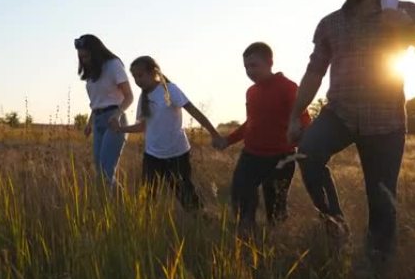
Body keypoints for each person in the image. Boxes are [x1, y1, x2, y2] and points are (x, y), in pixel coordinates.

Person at [286, 0, 415, 257]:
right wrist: (295, 114)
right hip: (339, 114)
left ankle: (376, 269)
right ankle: (336, 225)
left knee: (382, 199)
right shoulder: (329, 24)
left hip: (385, 121)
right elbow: (314, 72)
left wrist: (406, 28)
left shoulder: (402, 9)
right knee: (308, 153)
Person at [218, 42, 311, 230]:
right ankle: (246, 241)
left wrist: (305, 145)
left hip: (281, 158)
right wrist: (227, 140)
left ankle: (276, 246)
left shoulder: (289, 88)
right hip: (251, 156)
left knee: (276, 210)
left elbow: (304, 122)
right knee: (241, 200)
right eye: (246, 67)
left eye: (254, 65)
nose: (249, 71)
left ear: (269, 63)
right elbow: (250, 124)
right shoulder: (251, 92)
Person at [110, 55, 222, 210]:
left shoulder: (169, 90)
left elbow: (194, 111)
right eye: (134, 77)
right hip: (152, 155)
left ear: (153, 72)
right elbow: (142, 126)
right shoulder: (144, 97)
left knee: (185, 194)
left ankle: (201, 220)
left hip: (177, 153)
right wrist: (121, 129)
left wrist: (214, 133)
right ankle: (147, 228)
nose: (137, 80)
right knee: (147, 197)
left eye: (140, 75)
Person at [75, 34, 134, 187]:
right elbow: (97, 103)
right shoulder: (91, 74)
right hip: (98, 121)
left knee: (106, 172)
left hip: (114, 120)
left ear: (95, 52)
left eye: (87, 56)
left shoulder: (113, 65)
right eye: (81, 58)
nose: (84, 60)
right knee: (100, 173)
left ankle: (120, 206)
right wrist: (89, 123)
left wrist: (117, 114)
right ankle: (110, 206)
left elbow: (129, 96)